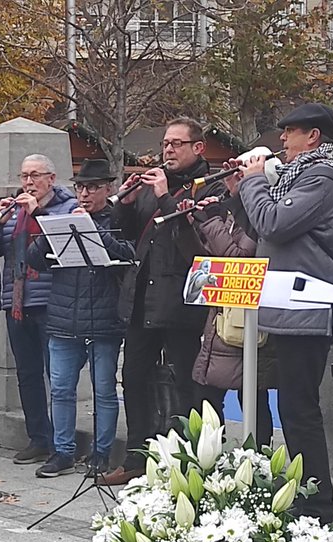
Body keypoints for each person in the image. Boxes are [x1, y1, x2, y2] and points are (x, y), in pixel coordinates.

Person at [235, 103, 333, 525]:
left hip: (307, 308)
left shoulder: (323, 179)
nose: (281, 140)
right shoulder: (295, 177)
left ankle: (318, 507)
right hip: (284, 306)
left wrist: (252, 184)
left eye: (290, 132)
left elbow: (274, 224)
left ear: (313, 137)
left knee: (300, 410)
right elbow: (260, 226)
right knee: (289, 408)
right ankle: (300, 495)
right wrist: (245, 186)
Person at [102, 118, 226, 486]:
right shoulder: (150, 186)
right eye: (165, 144)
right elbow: (124, 233)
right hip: (143, 298)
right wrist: (124, 202)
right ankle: (137, 458)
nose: (167, 150)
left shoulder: (210, 186)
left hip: (183, 303)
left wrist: (162, 196)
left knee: (191, 386)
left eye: (176, 144)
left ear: (198, 148)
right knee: (134, 378)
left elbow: (196, 242)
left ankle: (197, 462)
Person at [27, 159, 135, 478]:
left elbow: (127, 255)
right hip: (63, 318)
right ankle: (62, 452)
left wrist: (93, 229)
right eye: (80, 187)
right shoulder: (63, 215)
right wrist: (53, 230)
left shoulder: (119, 218)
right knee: (60, 388)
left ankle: (101, 454)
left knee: (103, 390)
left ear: (108, 189)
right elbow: (34, 259)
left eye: (92, 188)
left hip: (103, 320)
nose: (84, 194)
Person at [0, 154, 78, 465]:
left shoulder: (66, 207)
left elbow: (64, 246)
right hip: (17, 303)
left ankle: (62, 444)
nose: (29, 183)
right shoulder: (14, 211)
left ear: (52, 178)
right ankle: (39, 439)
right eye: (24, 176)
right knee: (27, 375)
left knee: (57, 378)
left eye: (35, 175)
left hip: (52, 303)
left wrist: (40, 213)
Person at [189, 164, 274, 448]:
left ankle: (256, 460)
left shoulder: (259, 214)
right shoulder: (231, 210)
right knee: (207, 395)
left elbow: (239, 258)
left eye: (241, 176)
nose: (233, 183)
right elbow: (211, 254)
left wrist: (211, 221)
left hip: (245, 320)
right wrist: (196, 220)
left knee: (252, 395)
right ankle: (210, 458)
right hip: (220, 317)